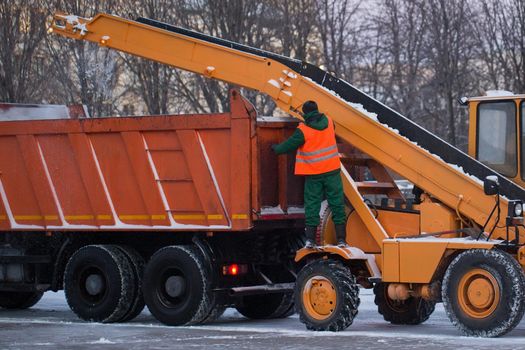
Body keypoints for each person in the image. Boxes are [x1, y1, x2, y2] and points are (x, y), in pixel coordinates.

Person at [272, 100, 347, 248]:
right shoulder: (330, 122)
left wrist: (276, 149)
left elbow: (289, 145)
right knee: (337, 204)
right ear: (317, 110)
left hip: (314, 175)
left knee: (312, 205)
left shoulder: (303, 130)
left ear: (305, 114)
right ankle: (341, 239)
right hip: (332, 171)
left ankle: (311, 240)